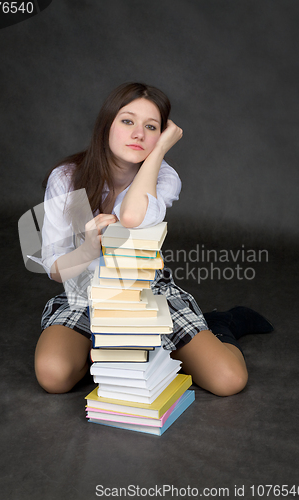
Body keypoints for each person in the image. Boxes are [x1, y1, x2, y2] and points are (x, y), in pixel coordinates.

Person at [34, 82, 273, 397]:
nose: (138, 134)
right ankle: (113, 355)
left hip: (145, 290)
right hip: (86, 290)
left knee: (228, 380)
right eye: (127, 121)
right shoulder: (67, 178)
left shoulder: (163, 176)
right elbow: (54, 268)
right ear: (106, 125)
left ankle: (219, 325)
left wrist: (158, 152)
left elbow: (132, 217)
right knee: (53, 375)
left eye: (151, 127)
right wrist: (89, 248)